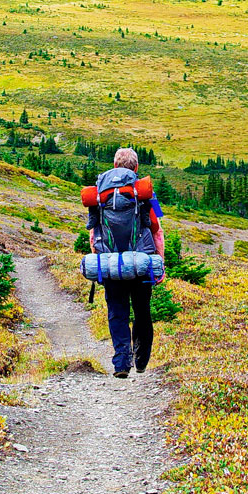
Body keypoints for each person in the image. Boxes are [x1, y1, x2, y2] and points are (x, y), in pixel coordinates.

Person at [85, 147, 164, 378]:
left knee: (117, 312)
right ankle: (141, 358)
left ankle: (121, 363)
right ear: (136, 168)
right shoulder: (146, 192)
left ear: (114, 165)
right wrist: (159, 261)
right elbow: (157, 228)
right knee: (142, 311)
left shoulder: (99, 193)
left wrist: (100, 258)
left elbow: (93, 231)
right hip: (141, 262)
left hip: (111, 262)